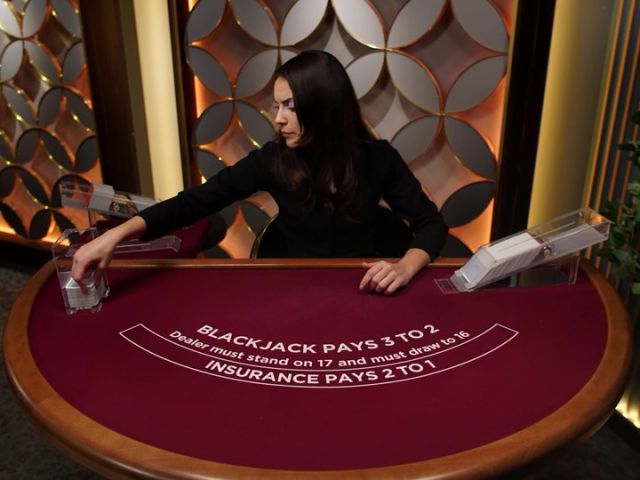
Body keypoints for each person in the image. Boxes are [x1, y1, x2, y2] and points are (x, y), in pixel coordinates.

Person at [72, 50, 448, 295]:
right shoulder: (272, 160)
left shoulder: (378, 158)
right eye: (276, 106)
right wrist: (115, 236)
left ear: (325, 109)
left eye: (290, 107)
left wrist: (404, 267)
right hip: (296, 291)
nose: (278, 118)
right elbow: (193, 203)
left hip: (364, 288)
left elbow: (431, 224)